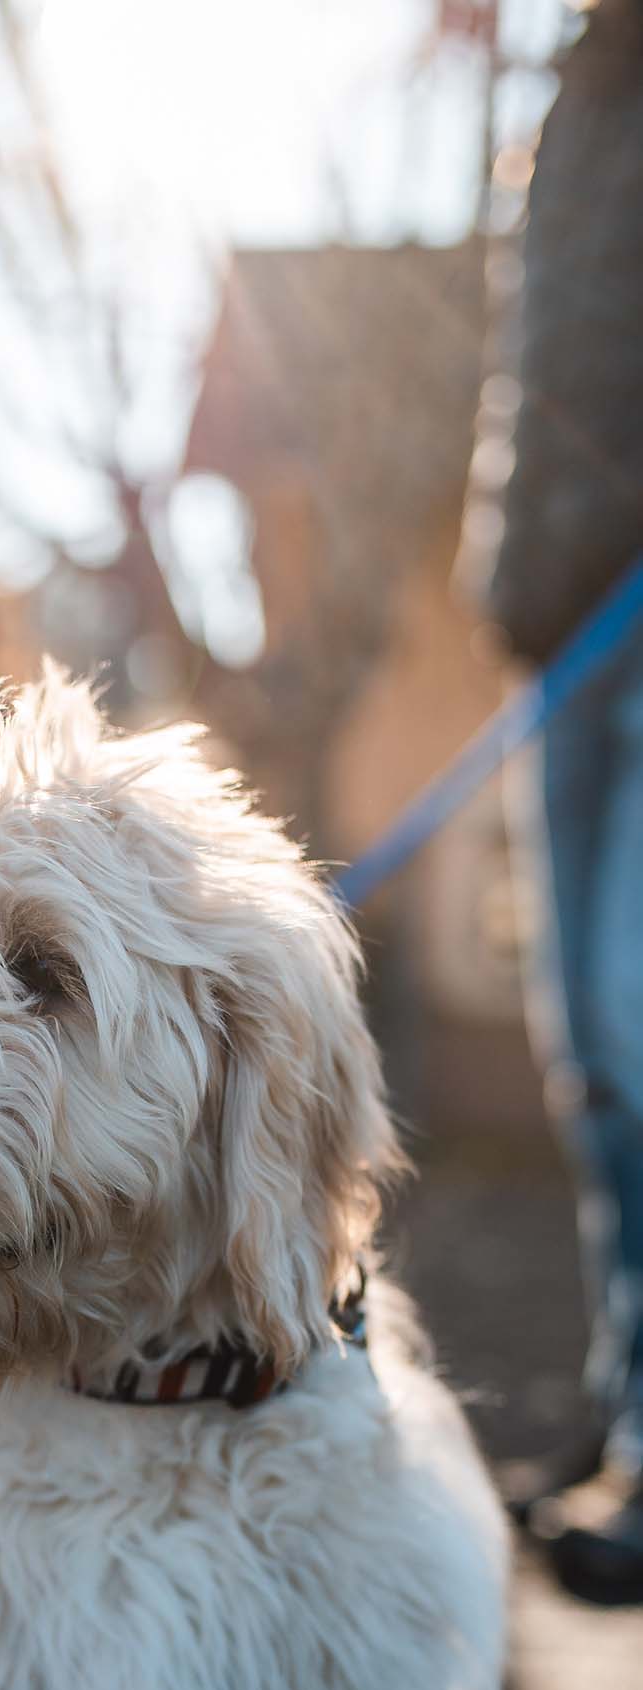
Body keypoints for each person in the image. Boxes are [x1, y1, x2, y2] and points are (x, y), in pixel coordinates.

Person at [474, 0, 643, 1603]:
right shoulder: (582, 88)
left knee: (636, 1016)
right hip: (562, 619)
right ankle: (627, 1410)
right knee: (591, 1060)